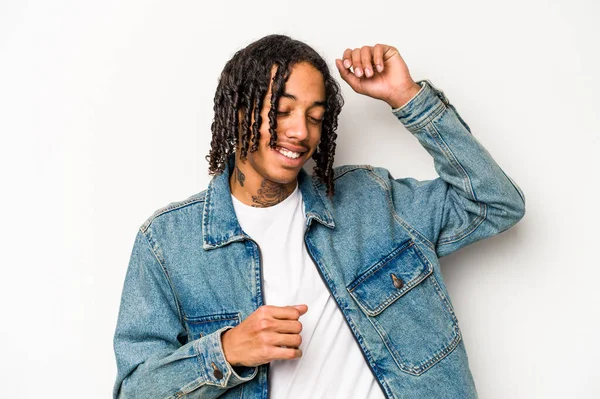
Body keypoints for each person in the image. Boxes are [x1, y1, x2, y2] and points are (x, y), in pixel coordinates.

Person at [113, 34, 526, 399]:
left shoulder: (372, 201)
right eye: (283, 110)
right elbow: (135, 390)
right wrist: (228, 351)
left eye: (315, 116)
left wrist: (406, 96)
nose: (300, 132)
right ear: (239, 111)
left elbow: (495, 203)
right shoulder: (167, 244)